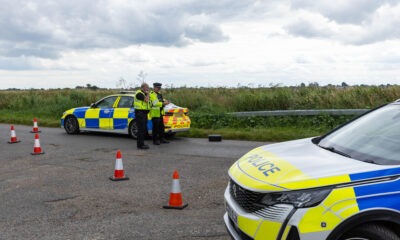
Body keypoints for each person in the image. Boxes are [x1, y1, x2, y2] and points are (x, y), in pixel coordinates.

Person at [134, 83, 151, 149]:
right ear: (142, 88)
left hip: (143, 113)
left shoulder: (143, 94)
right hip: (140, 113)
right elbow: (146, 100)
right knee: (141, 130)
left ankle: (142, 143)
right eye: (146, 88)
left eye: (148, 88)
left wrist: (147, 94)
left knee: (143, 129)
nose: (147, 89)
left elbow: (147, 101)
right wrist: (147, 94)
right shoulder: (139, 94)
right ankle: (140, 145)